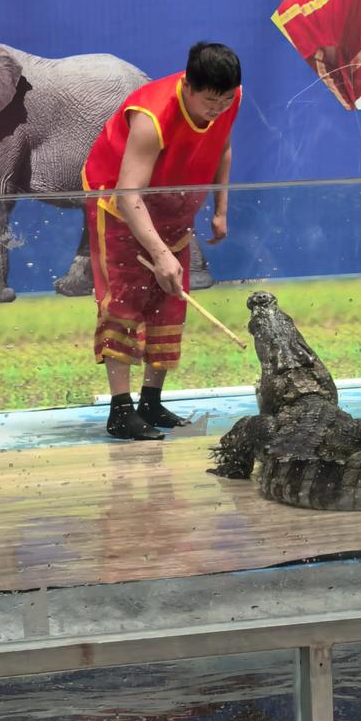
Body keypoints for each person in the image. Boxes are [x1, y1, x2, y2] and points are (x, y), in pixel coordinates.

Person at [82, 42, 242, 441]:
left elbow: (222, 146)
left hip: (173, 203)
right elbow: (127, 193)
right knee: (124, 298)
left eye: (224, 100)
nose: (217, 108)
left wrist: (221, 208)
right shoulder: (151, 117)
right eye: (209, 100)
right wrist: (158, 253)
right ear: (187, 85)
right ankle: (120, 410)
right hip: (119, 203)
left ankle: (151, 401)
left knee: (171, 299)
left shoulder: (229, 97)